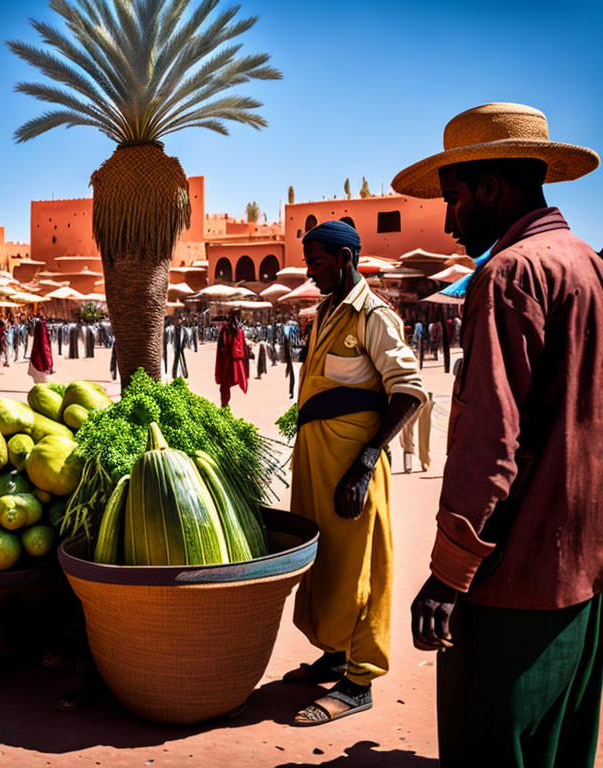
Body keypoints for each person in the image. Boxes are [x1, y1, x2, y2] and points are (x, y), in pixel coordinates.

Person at [393, 102, 603, 767]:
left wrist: (446, 577)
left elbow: (491, 442)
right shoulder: (587, 264)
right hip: (586, 577)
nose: (451, 219)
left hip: (514, 583)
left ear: (491, 188)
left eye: (455, 198)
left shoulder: (508, 276)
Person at [284, 220, 425, 725]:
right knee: (326, 563)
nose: (311, 271)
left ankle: (359, 679)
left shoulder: (374, 315)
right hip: (317, 465)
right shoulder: (325, 313)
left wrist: (365, 463)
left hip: (351, 468)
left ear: (344, 260)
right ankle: (336, 652)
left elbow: (409, 391)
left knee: (362, 566)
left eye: (317, 262)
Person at [214, 310, 249, 407]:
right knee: (225, 386)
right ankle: (225, 404)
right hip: (235, 362)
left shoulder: (227, 331)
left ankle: (224, 405)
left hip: (228, 362)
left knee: (224, 385)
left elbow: (221, 348)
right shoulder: (238, 331)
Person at [28, 313, 54, 383]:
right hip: (40, 364)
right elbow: (44, 347)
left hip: (36, 361)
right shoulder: (41, 328)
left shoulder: (39, 327)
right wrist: (48, 365)